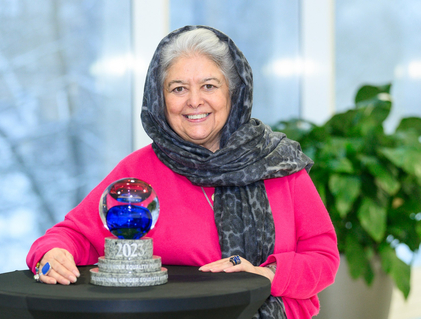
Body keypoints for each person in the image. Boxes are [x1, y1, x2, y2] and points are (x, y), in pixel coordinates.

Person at [27, 25, 340, 319]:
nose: (194, 101)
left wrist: (269, 274)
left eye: (209, 86)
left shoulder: (279, 164)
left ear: (234, 92)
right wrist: (51, 255)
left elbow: (323, 256)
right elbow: (71, 236)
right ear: (160, 99)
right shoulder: (137, 174)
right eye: (178, 88)